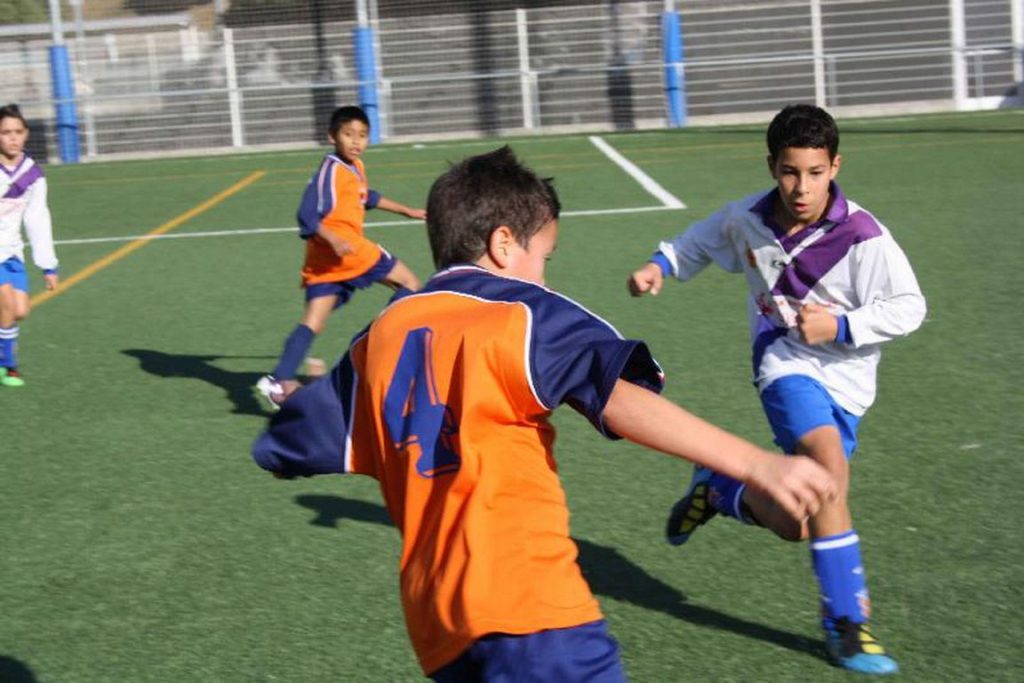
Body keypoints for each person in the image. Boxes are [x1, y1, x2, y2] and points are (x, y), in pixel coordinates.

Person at [252, 146, 836, 681]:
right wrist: (757, 464)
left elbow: (284, 450)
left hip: (439, 628)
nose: (544, 274)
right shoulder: (522, 310)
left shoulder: (375, 338)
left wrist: (307, 392)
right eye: (544, 256)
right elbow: (619, 397)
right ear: (504, 244)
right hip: (531, 603)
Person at [628, 104, 926, 675]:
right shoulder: (748, 218)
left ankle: (720, 490)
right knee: (825, 473)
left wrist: (841, 326)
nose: (801, 187)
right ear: (772, 167)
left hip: (849, 383)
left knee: (803, 519)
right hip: (784, 364)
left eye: (815, 172)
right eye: (790, 172)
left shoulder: (864, 235)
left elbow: (911, 306)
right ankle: (847, 624)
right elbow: (695, 242)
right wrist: (657, 267)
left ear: (835, 165)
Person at [256, 105, 424, 408]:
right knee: (410, 283)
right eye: (348, 134)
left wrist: (406, 210)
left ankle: (279, 380)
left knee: (313, 321)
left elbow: (366, 196)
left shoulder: (354, 166)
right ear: (332, 136)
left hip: (325, 262)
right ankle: (381, 351)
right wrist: (333, 238)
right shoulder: (329, 171)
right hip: (349, 251)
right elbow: (306, 214)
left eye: (362, 135)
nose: (356, 141)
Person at [0, 104, 59, 388]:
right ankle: (9, 366)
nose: (12, 138)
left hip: (11, 251)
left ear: (26, 134)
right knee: (6, 304)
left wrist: (47, 265)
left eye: (17, 132)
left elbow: (37, 218)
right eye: (5, 133)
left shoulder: (32, 174)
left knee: (20, 311)